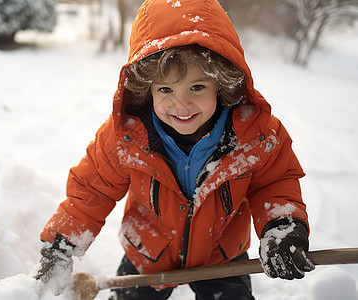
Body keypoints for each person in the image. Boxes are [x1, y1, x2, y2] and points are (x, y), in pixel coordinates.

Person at [31, 0, 315, 299]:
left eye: (197, 88)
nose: (181, 104)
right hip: (148, 254)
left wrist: (282, 226)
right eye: (165, 89)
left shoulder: (256, 136)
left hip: (222, 255)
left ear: (222, 84)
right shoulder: (125, 137)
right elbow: (92, 190)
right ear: (146, 89)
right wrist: (59, 246)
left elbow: (275, 183)